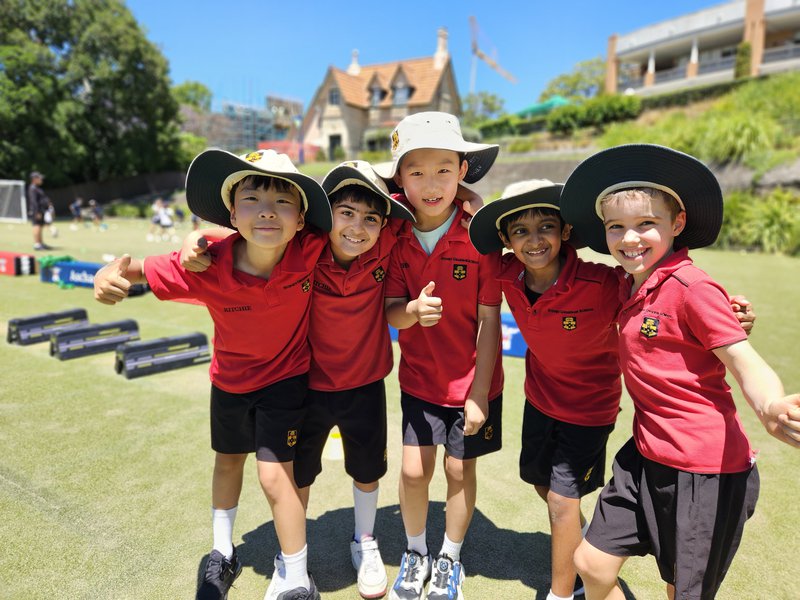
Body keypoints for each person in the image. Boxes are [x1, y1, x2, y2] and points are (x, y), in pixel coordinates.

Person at [468, 179, 756, 600]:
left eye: (546, 226)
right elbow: (471, 228)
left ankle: (563, 593)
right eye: (520, 231)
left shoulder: (604, 283)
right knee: (542, 485)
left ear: (566, 231)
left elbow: (659, 290)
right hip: (539, 401)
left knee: (561, 504)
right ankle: (580, 542)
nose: (534, 241)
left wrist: (730, 314)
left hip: (590, 410)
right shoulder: (505, 271)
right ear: (507, 241)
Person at [558, 144, 800, 600]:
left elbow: (742, 359)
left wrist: (769, 404)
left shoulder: (693, 287)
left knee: (683, 589)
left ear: (677, 224)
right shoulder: (626, 283)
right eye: (616, 227)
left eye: (646, 224)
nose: (630, 238)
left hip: (704, 469)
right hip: (646, 453)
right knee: (591, 563)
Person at [93, 148, 333, 600]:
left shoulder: (311, 249)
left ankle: (298, 577)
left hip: (286, 379)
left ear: (302, 220)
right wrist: (107, 273)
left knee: (273, 474)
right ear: (231, 214)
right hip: (229, 382)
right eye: (252, 198)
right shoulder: (204, 262)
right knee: (227, 462)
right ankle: (222, 554)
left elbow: (375, 212)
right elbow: (133, 269)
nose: (266, 210)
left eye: (283, 201)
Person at [378, 111, 503, 600]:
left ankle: (449, 558)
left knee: (458, 471)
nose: (431, 184)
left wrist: (477, 395)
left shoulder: (480, 236)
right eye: (417, 171)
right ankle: (415, 552)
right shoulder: (393, 233)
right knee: (412, 471)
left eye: (444, 170)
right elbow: (391, 311)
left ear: (463, 171)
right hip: (418, 381)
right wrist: (411, 311)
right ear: (399, 177)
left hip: (472, 385)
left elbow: (491, 321)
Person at [296, 160, 415, 599]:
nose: (358, 227)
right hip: (303, 385)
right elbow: (245, 237)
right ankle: (293, 554)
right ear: (325, 214)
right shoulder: (300, 246)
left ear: (384, 224)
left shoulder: (388, 240)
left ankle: (364, 540)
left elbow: (425, 199)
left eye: (370, 218)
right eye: (345, 213)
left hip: (365, 383)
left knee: (368, 471)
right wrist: (198, 239)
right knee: (298, 473)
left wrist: (469, 199)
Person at [27, 171, 51, 250]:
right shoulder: (33, 188)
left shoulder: (37, 188)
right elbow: (34, 201)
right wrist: (37, 212)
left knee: (40, 226)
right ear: (34, 179)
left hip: (41, 210)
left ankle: (41, 243)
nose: (41, 179)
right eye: (39, 178)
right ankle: (37, 244)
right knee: (37, 226)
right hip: (36, 211)